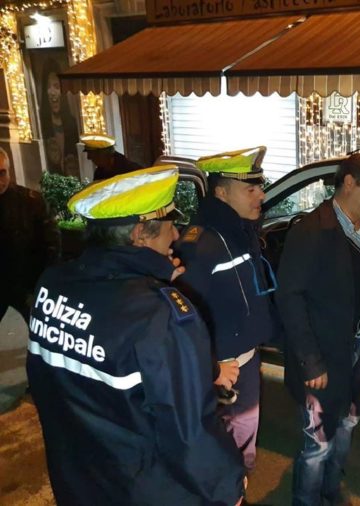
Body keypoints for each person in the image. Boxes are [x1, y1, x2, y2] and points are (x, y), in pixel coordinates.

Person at [25, 165, 246, 506]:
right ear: (141, 234)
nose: (176, 235)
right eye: (170, 225)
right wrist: (226, 487)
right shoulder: (161, 313)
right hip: (144, 489)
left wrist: (153, 282)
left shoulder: (52, 283)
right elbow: (188, 430)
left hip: (76, 478)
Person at [276, 153, 360, 506]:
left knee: (347, 425)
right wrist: (310, 361)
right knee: (318, 443)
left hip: (356, 349)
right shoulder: (312, 231)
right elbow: (289, 297)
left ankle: (331, 489)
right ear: (349, 183)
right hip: (322, 357)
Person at [175, 146, 280, 473]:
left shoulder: (241, 230)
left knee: (244, 439)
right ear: (221, 193)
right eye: (250, 189)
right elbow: (184, 319)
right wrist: (212, 366)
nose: (261, 195)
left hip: (246, 359)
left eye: (260, 187)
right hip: (223, 368)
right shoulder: (201, 243)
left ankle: (238, 486)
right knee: (219, 449)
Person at [0, 147, 59, 324]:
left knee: (40, 327)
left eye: (2, 173)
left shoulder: (31, 202)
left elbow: (52, 246)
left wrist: (41, 285)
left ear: (9, 170)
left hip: (26, 284)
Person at [39, 58, 79, 177]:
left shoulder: (72, 124)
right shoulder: (42, 124)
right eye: (48, 87)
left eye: (56, 86)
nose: (52, 92)